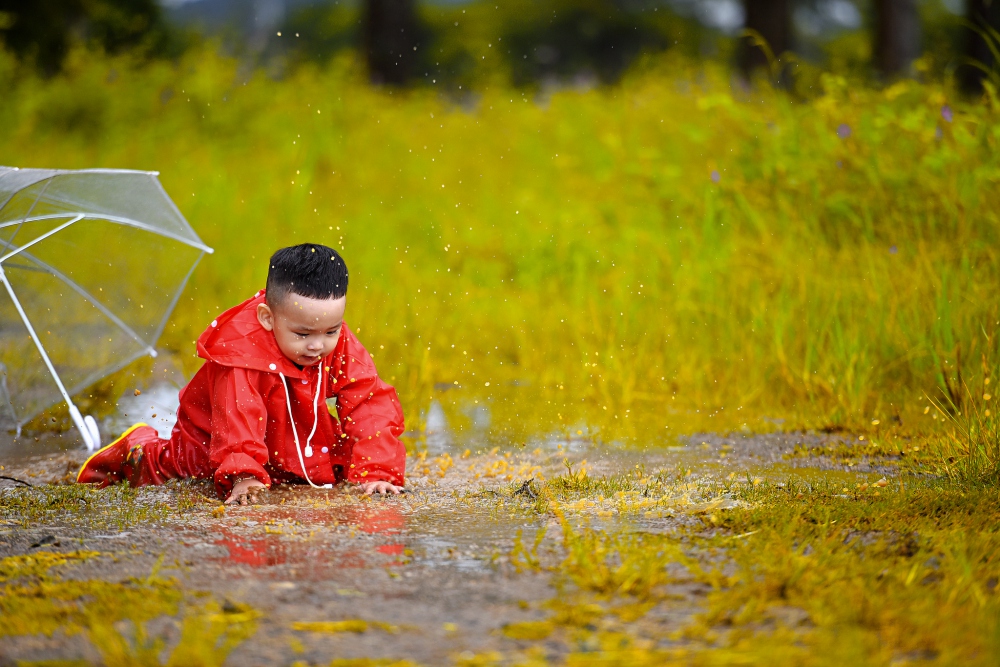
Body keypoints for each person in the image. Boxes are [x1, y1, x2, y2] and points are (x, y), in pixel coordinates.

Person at [77, 244, 405, 504]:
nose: (318, 346)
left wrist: (376, 473)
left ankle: (278, 465)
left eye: (331, 331)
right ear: (266, 317)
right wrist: (243, 475)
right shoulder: (240, 353)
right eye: (303, 335)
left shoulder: (332, 336)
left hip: (287, 429)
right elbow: (237, 418)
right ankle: (135, 447)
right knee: (183, 472)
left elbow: (368, 401)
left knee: (330, 463)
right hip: (211, 440)